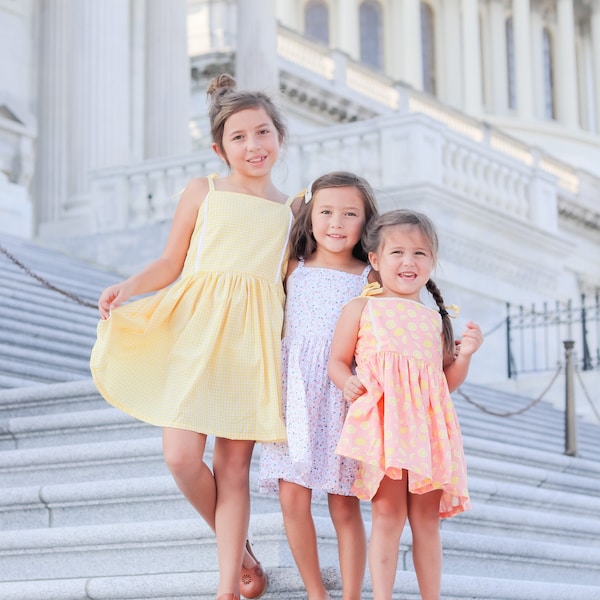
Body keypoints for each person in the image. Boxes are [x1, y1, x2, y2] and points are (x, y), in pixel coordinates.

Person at [90, 73, 297, 600]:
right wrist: (129, 287)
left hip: (252, 344)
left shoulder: (293, 209)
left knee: (234, 470)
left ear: (280, 136)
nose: (253, 145)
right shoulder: (203, 190)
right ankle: (243, 552)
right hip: (196, 331)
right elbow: (170, 260)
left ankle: (228, 585)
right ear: (219, 147)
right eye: (239, 136)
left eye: (263, 132)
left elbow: (293, 281)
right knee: (181, 457)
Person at [328, 209, 483, 600]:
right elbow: (336, 360)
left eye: (420, 253)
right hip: (385, 427)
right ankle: (383, 596)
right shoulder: (362, 308)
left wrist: (463, 357)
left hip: (429, 430)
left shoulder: (435, 320)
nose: (409, 262)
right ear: (376, 260)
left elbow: (443, 384)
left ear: (431, 261)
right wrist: (348, 382)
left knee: (427, 520)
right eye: (397, 252)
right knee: (388, 514)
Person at [259, 171, 379, 600]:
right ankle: (316, 592)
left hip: (342, 394)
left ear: (365, 223)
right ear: (310, 217)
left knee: (343, 501)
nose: (336, 222)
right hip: (294, 393)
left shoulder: (370, 277)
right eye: (326, 211)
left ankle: (351, 595)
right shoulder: (293, 268)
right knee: (293, 497)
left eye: (350, 214)